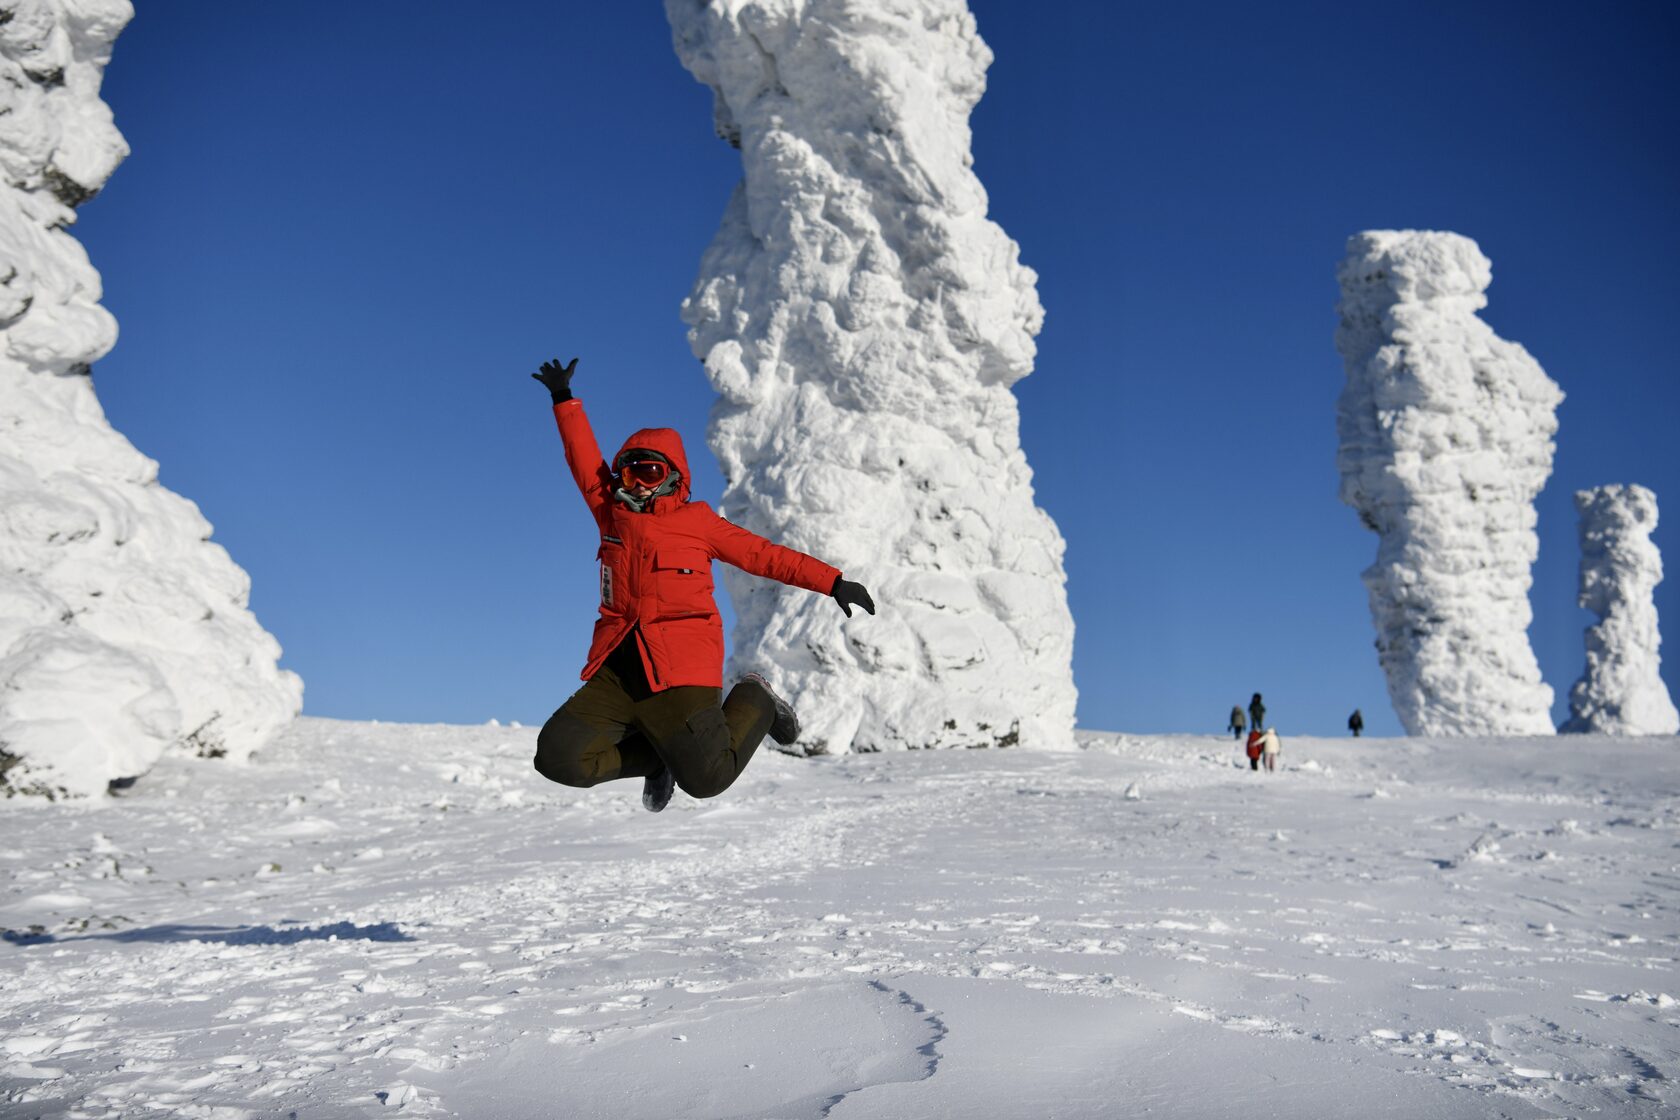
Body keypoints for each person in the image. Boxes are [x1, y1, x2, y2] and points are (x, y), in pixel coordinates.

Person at [527, 357, 876, 812]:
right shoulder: (612, 515)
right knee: (558, 759)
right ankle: (657, 759)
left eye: (648, 473)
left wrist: (832, 581)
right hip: (620, 670)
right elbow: (584, 462)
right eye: (628, 472)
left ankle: (756, 697)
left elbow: (764, 555)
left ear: (673, 476)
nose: (636, 484)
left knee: (708, 780)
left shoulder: (699, 523)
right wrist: (563, 399)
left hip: (680, 671)